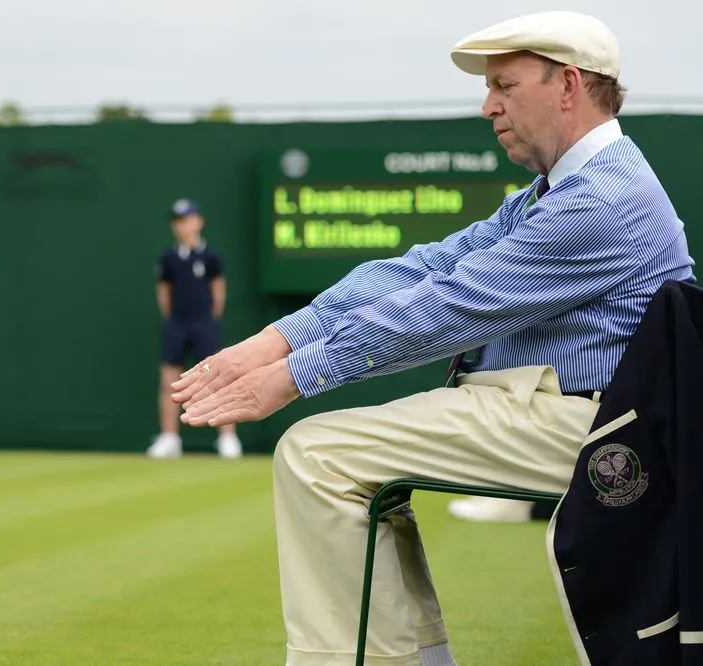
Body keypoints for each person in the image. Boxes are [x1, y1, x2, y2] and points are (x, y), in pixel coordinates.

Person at [170, 11, 695, 666]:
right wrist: (274, 340)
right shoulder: (557, 190)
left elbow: (448, 305)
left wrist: (292, 377)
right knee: (334, 458)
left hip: (595, 423)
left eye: (504, 86)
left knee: (316, 454)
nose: (487, 106)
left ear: (566, 85)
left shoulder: (599, 201)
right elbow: (424, 267)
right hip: (547, 404)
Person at [147, 198, 243, 460]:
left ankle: (227, 438)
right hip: (176, 324)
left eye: (186, 219)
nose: (182, 226)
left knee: (217, 378)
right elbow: (163, 294)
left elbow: (218, 293)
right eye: (177, 221)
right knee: (169, 381)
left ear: (198, 222)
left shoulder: (211, 256)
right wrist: (174, 319)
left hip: (204, 324)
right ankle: (169, 438)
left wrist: (207, 319)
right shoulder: (168, 258)